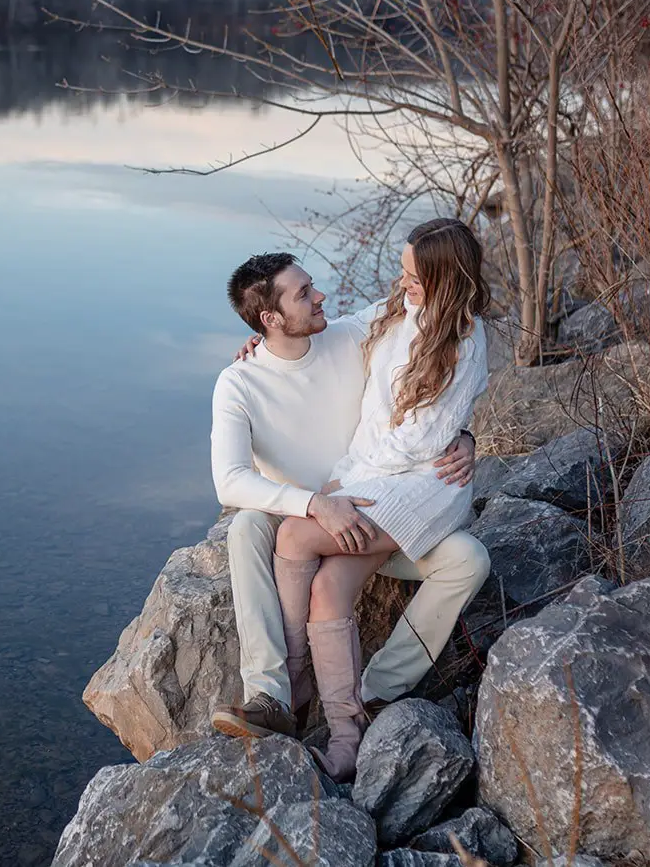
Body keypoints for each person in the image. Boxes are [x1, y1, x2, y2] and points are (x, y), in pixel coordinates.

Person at [207, 239, 485, 748]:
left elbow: (436, 347)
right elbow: (229, 481)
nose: (321, 297)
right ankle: (274, 694)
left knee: (469, 558)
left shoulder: (353, 334)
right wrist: (317, 504)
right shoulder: (239, 382)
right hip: (307, 516)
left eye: (312, 286)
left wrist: (463, 439)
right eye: (304, 293)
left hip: (378, 502)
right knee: (246, 524)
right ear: (269, 318)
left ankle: (379, 690)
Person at [272, 217, 493, 780]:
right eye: (402, 271)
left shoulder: (465, 340)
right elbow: (333, 332)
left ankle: (295, 680)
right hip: (377, 482)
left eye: (414, 276)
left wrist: (344, 486)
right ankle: (349, 732)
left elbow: (422, 441)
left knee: (297, 532)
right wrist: (269, 338)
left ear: (445, 278)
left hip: (421, 490)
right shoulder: (396, 313)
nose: (402, 282)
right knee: (327, 587)